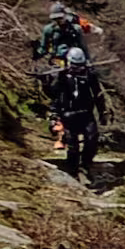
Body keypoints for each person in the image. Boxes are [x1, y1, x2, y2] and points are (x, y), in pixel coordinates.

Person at [33, 9, 106, 184]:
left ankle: (86, 165)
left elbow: (97, 94)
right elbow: (55, 95)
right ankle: (73, 171)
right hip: (68, 110)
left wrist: (103, 112)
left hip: (86, 112)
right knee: (72, 145)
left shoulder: (88, 74)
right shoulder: (63, 76)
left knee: (92, 139)